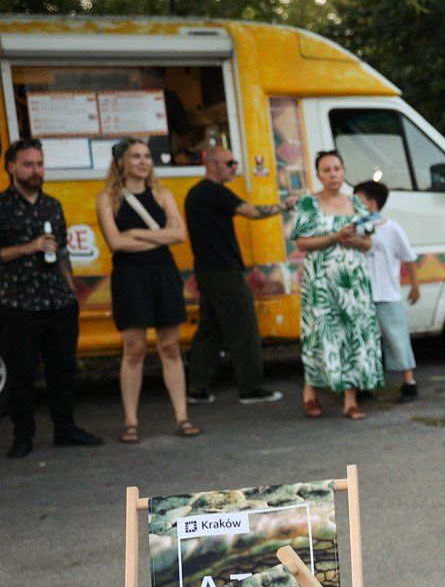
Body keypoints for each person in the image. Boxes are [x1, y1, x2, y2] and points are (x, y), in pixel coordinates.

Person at [1, 138, 100, 457]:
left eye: (39, 164)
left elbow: (62, 253)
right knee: (21, 374)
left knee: (63, 371)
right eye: (28, 164)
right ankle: (23, 437)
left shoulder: (52, 205)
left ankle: (65, 429)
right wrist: (27, 248)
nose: (35, 170)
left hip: (58, 302)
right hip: (18, 303)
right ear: (11, 168)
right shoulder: (2, 207)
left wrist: (72, 292)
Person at [95, 139, 196, 442]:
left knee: (170, 346)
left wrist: (138, 232)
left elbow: (180, 235)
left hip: (163, 273)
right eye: (135, 156)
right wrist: (160, 236)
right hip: (129, 276)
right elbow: (116, 243)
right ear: (121, 162)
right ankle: (130, 421)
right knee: (134, 348)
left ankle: (182, 417)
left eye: (147, 156)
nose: (143, 162)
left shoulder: (162, 194)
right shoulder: (107, 199)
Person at [183, 146, 287, 405]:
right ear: (213, 164)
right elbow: (252, 212)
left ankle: (198, 386)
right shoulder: (214, 192)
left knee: (210, 329)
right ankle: (251, 388)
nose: (234, 168)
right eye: (230, 163)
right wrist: (285, 205)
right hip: (224, 271)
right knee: (244, 329)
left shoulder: (195, 194)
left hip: (206, 270)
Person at [286, 151, 381, 420]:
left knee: (352, 333)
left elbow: (369, 242)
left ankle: (349, 400)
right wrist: (333, 237)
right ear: (318, 174)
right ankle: (310, 392)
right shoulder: (308, 204)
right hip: (321, 281)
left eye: (337, 169)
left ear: (344, 171)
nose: (333, 174)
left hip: (353, 283)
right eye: (326, 170)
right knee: (320, 334)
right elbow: (302, 243)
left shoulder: (356, 203)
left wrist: (356, 242)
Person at [352, 180, 421, 401]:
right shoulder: (355, 228)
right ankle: (365, 384)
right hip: (362, 294)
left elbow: (408, 258)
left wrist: (415, 285)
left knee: (397, 337)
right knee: (364, 340)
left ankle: (408, 380)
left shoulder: (392, 228)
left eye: (359, 201)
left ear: (372, 203)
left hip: (388, 293)